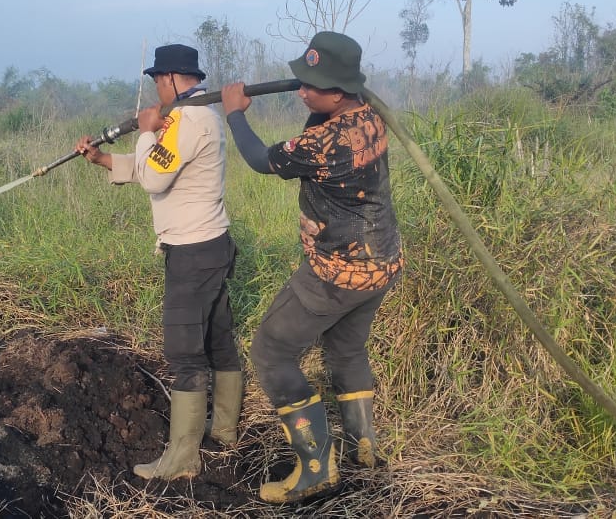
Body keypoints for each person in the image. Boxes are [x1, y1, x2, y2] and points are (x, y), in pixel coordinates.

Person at [220, 31, 403, 504]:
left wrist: (235, 113)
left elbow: (261, 160)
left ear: (338, 92)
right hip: (380, 264)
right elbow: (317, 117)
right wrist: (315, 91)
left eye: (311, 86)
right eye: (300, 80)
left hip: (336, 273)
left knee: (272, 351)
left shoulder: (324, 144)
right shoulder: (369, 117)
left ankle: (316, 467)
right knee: (345, 351)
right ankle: (365, 446)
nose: (301, 91)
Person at [74, 44, 243, 481]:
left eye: (155, 80)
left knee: (185, 353)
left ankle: (183, 458)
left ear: (169, 78)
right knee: (218, 338)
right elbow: (156, 165)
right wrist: (103, 159)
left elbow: (153, 175)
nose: (154, 89)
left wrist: (146, 130)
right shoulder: (197, 115)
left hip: (192, 252)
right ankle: (223, 429)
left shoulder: (188, 118)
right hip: (212, 244)